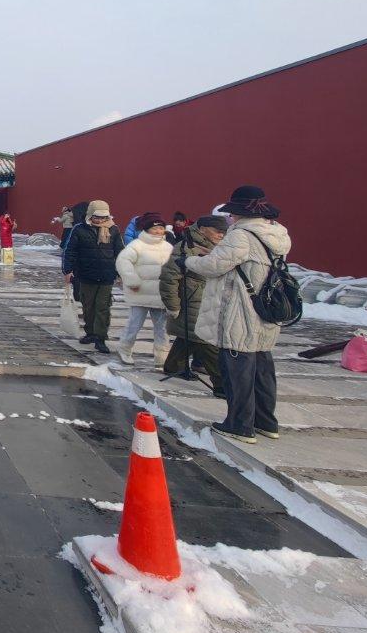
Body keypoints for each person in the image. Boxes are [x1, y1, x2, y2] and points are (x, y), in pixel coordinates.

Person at [187, 185, 292, 444]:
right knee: (262, 368)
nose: (230, 218)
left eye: (232, 213)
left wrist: (188, 262)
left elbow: (213, 266)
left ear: (241, 213)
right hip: (266, 309)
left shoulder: (241, 236)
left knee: (237, 369)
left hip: (240, 309)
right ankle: (266, 421)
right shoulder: (278, 234)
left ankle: (239, 424)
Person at [159, 214, 228, 395]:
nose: (221, 235)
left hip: (212, 299)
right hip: (193, 300)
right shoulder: (185, 248)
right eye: (217, 231)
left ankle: (173, 366)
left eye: (224, 232)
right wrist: (172, 305)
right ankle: (222, 385)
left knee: (188, 336)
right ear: (203, 229)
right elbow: (169, 278)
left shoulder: (219, 248)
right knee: (207, 341)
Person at [61, 200, 123, 354]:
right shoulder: (79, 229)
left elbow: (121, 253)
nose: (100, 220)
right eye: (97, 217)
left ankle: (100, 338)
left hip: (106, 275)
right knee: (88, 306)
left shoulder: (113, 230)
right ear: (90, 215)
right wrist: (67, 270)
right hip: (85, 275)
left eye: (103, 217)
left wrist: (122, 273)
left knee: (103, 307)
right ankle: (90, 332)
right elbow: (70, 251)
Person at [114, 212, 172, 367]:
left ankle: (162, 357)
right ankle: (124, 349)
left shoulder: (168, 247)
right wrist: (132, 280)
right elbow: (123, 261)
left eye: (161, 228)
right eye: (155, 228)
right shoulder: (136, 245)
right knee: (134, 324)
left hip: (161, 295)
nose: (159, 231)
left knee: (163, 329)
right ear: (146, 229)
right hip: (140, 292)